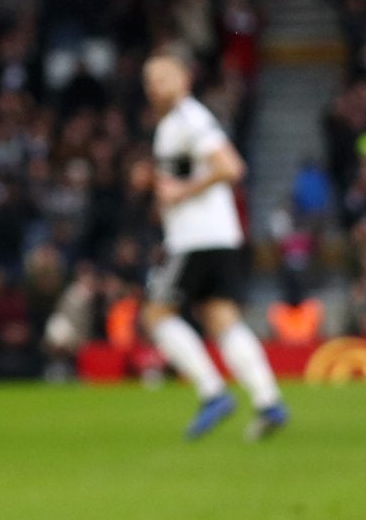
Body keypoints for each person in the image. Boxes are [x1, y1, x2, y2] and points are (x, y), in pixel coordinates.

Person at [139, 48, 290, 441]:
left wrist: (181, 193)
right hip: (218, 236)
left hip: (195, 239)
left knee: (155, 316)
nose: (155, 87)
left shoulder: (190, 118)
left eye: (162, 77)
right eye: (149, 81)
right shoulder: (176, 123)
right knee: (221, 318)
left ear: (183, 79)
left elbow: (230, 166)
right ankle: (268, 401)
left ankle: (212, 392)